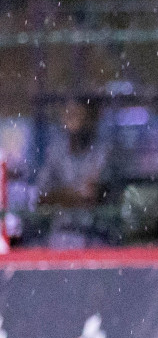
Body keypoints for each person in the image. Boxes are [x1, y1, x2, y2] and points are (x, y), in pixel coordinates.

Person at [35, 98, 115, 249]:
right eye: (68, 114)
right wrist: (70, 196)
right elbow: (41, 197)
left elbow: (91, 196)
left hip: (96, 236)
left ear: (91, 119)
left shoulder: (104, 151)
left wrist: (59, 196)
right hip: (60, 235)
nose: (71, 120)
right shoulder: (55, 150)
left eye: (77, 114)